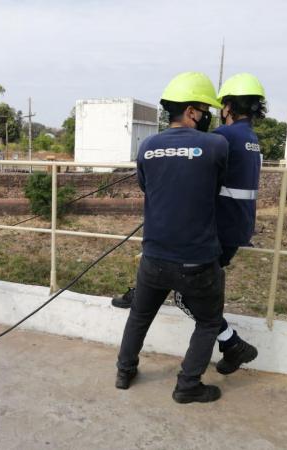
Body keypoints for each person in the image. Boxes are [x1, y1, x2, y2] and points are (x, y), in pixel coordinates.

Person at [113, 73, 266, 376]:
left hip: (203, 236)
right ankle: (222, 353)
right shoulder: (248, 139)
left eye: (217, 108)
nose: (212, 114)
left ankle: (231, 344)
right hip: (234, 229)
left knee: (183, 299)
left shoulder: (219, 138)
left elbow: (163, 181)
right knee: (194, 294)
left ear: (228, 107)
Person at [116, 72, 228, 404]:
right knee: (208, 322)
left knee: (140, 315)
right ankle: (188, 385)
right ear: (192, 111)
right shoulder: (216, 145)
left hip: (154, 256)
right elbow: (217, 185)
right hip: (198, 260)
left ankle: (124, 371)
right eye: (205, 110)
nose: (207, 117)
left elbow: (146, 186)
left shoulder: (147, 146)